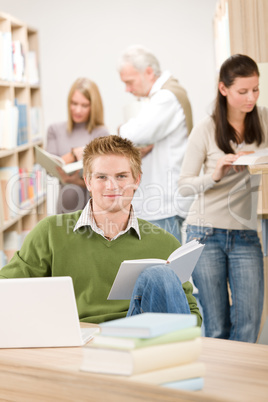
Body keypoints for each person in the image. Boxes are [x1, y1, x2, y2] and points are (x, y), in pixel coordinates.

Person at [0, 135, 202, 325]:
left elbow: (191, 315)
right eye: (102, 177)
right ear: (87, 181)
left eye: (121, 176)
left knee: (160, 276)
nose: (112, 186)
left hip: (141, 340)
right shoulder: (50, 233)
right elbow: (6, 288)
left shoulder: (164, 243)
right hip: (78, 340)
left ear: (137, 180)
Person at [178, 54, 268, 342]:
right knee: (217, 329)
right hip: (204, 232)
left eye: (255, 89)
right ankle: (221, 386)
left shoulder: (263, 120)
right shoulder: (205, 129)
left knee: (249, 326)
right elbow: (184, 187)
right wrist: (215, 174)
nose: (250, 97)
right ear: (223, 89)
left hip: (244, 233)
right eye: (243, 91)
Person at [118, 45, 193, 243]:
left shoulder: (166, 97)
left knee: (165, 267)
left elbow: (133, 134)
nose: (127, 89)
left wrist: (121, 129)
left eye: (129, 82)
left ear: (148, 72)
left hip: (164, 203)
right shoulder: (160, 96)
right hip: (160, 203)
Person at [46, 77, 109, 214]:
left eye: (84, 105)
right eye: (74, 103)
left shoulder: (101, 133)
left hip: (93, 212)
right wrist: (73, 154)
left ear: (93, 106)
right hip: (64, 210)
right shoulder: (55, 130)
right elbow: (50, 169)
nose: (78, 110)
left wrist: (79, 181)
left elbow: (105, 180)